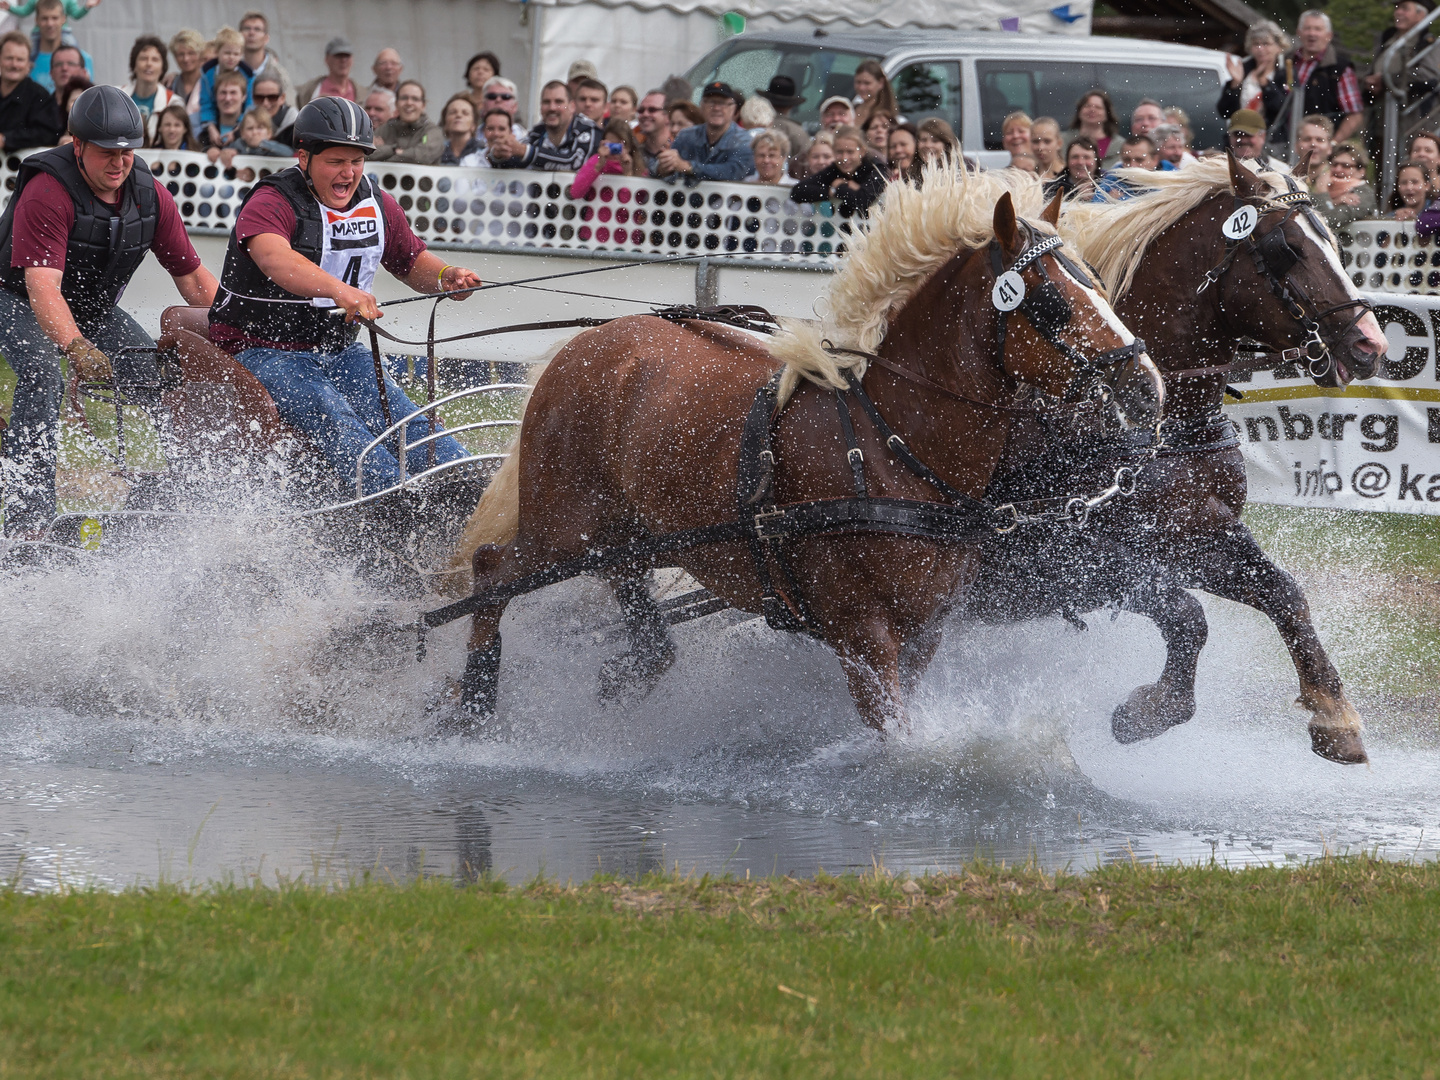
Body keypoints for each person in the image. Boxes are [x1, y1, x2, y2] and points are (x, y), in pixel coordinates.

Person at [207, 98, 483, 498]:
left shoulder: (377, 203)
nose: (348, 173)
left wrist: (445, 276)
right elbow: (275, 258)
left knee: (407, 419)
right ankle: (395, 503)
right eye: (336, 161)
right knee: (336, 416)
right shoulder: (271, 201)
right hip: (262, 350)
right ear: (304, 157)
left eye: (356, 161)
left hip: (339, 349)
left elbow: (410, 260)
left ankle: (470, 490)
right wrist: (341, 291)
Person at [0, 85, 217, 537]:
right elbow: (42, 289)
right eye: (106, 152)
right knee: (44, 374)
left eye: (127, 152)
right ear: (77, 145)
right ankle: (29, 520)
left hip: (91, 306)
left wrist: (241, 328)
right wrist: (75, 344)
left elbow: (195, 281)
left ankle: (184, 494)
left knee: (160, 373)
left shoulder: (151, 196)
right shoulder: (46, 192)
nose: (119, 163)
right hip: (14, 296)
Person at [1283, 11, 1363, 145]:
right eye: (1307, 28)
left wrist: (1332, 143)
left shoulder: (1340, 68)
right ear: (1299, 32)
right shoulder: (1287, 61)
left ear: (1329, 35)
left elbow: (1355, 114)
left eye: (1318, 29)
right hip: (1283, 142)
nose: (1312, 33)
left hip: (1318, 147)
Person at [487, 79, 599, 171]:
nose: (552, 108)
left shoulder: (588, 129)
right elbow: (514, 163)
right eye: (546, 102)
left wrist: (524, 151)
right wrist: (499, 155)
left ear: (572, 107)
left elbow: (574, 163)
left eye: (558, 102)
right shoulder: (537, 132)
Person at [655, 81, 752, 184]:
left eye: (722, 103)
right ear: (701, 106)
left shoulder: (744, 139)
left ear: (733, 108)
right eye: (711, 102)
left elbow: (733, 172)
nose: (716, 108)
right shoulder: (686, 136)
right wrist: (663, 167)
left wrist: (689, 167)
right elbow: (661, 168)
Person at [790, 123, 886, 218]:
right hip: (843, 229)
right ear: (833, 151)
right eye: (839, 152)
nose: (844, 158)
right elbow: (797, 191)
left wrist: (840, 187)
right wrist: (831, 191)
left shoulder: (877, 168)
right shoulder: (835, 169)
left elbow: (863, 201)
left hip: (873, 229)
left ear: (862, 151)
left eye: (850, 152)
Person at [1365, 0, 1438, 114]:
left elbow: (1428, 76)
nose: (1398, 12)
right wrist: (1369, 83)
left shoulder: (1428, 44)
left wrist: (1387, 80)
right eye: (1397, 7)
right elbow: (1373, 71)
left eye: (1405, 8)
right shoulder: (1387, 40)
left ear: (1421, 15)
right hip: (1380, 114)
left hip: (1410, 119)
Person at [1218, 20, 1290, 131]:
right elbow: (1224, 111)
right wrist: (1235, 85)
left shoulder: (1287, 74)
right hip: (1239, 138)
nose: (1260, 49)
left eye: (1266, 44)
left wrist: (1265, 84)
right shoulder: (1242, 70)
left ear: (1279, 47)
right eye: (1256, 44)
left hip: (1272, 142)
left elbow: (1284, 111)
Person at [0, 28, 60, 150]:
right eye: (9, 58)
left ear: (28, 65)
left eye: (20, 60)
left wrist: (6, 139)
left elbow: (48, 134)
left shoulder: (40, 96)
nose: (14, 65)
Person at [197, 27, 251, 145]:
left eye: (236, 54)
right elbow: (206, 103)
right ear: (217, 52)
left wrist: (239, 127)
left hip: (239, 119)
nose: (231, 57)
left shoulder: (248, 75)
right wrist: (210, 127)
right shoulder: (208, 75)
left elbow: (249, 105)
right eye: (227, 53)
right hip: (216, 116)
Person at [370, 80, 442, 164]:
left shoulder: (432, 131)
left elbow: (422, 157)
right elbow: (366, 154)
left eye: (415, 99)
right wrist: (393, 150)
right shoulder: (384, 129)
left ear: (423, 105)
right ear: (396, 103)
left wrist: (384, 152)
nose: (409, 103)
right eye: (404, 98)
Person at [121, 35, 177, 142]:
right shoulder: (116, 96)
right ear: (134, 65)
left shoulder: (173, 102)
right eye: (143, 58)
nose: (149, 64)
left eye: (155, 60)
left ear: (162, 68)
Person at [570, 117, 643, 197]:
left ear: (629, 147)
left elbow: (633, 203)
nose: (614, 151)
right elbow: (575, 193)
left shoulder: (638, 166)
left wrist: (628, 173)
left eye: (619, 146)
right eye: (610, 145)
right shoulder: (596, 161)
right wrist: (598, 167)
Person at [28, 0, 89, 93]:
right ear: (37, 20)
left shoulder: (84, 59)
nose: (50, 24)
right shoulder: (24, 63)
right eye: (44, 18)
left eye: (55, 18)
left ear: (63, 19)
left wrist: (86, 7)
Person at [1312, 143, 1376, 228]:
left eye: (1346, 166)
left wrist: (1322, 191)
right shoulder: (1327, 187)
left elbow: (1328, 221)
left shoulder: (1364, 193)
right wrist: (1335, 202)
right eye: (1334, 164)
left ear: (1361, 172)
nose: (1338, 169)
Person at [755, 75, 810, 173]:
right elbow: (804, 167)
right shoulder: (798, 133)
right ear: (792, 105)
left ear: (767, 100)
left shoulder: (754, 125)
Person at [239, 11, 292, 107]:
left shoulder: (279, 74)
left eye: (257, 29)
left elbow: (289, 107)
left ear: (266, 38)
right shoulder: (230, 70)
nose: (251, 33)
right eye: (247, 28)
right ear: (239, 35)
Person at [1063, 89, 1120, 169]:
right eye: (1087, 106)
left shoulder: (1120, 145)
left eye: (1098, 107)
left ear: (1107, 114)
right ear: (1079, 111)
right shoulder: (1062, 140)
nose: (1092, 110)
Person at [196, 70, 248, 154]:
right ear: (215, 96)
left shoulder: (251, 132)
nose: (227, 98)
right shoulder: (205, 134)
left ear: (244, 97)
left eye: (233, 93)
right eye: (223, 93)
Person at [296, 37, 358, 106]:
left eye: (347, 56)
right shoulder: (309, 91)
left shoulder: (362, 93)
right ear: (327, 59)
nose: (343, 60)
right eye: (338, 56)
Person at [166, 28, 205, 119]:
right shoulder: (170, 85)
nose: (186, 59)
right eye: (181, 54)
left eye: (191, 53)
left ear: (200, 54)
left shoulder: (208, 82)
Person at [437, 93, 483, 166]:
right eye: (452, 112)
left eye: (465, 113)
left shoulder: (483, 151)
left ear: (473, 125)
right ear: (445, 123)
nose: (458, 115)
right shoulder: (436, 153)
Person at [851, 59, 898, 129]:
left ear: (881, 83)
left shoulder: (885, 117)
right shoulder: (851, 110)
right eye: (858, 82)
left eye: (867, 83)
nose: (861, 88)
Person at [635, 89, 671, 175]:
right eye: (641, 110)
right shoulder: (634, 149)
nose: (645, 114)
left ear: (667, 116)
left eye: (652, 110)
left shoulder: (679, 148)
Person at [254, 75, 297, 146]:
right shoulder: (246, 123)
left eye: (272, 97)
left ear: (282, 98)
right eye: (259, 98)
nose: (265, 103)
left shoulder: (295, 126)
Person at [1295, 113, 1335, 184]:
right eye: (1307, 139)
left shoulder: (1338, 180)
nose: (1313, 144)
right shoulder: (1286, 180)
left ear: (1329, 148)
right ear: (1296, 146)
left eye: (1319, 140)